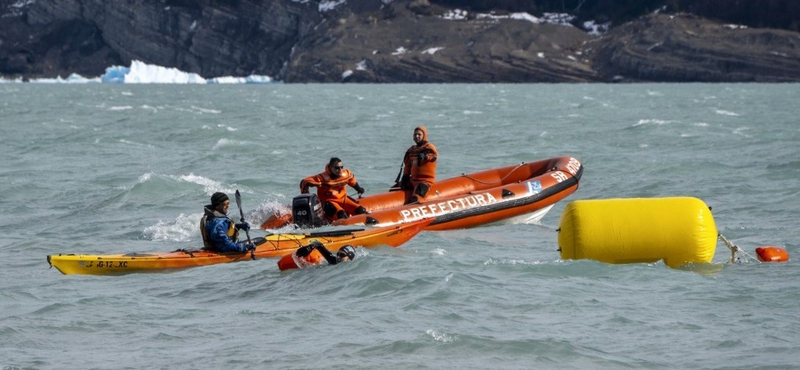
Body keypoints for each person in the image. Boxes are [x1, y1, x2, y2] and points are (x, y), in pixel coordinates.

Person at [300, 157, 367, 222]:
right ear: (331, 168)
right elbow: (305, 182)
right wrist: (305, 196)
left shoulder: (346, 174)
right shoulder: (321, 178)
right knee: (341, 215)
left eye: (341, 167)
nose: (340, 170)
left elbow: (352, 182)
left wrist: (359, 189)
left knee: (362, 211)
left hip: (343, 200)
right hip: (329, 202)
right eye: (337, 168)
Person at [397, 126, 438, 204]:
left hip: (425, 181)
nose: (416, 136)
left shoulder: (429, 148)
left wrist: (425, 156)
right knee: (395, 188)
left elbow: (433, 157)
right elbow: (407, 166)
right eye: (415, 134)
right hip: (412, 180)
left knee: (417, 197)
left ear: (424, 136)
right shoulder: (411, 150)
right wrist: (405, 177)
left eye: (419, 134)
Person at [277, 242, 356, 271]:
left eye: (341, 255)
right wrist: (309, 247)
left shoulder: (352, 269)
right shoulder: (333, 260)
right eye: (338, 254)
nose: (338, 257)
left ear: (349, 258)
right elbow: (318, 244)